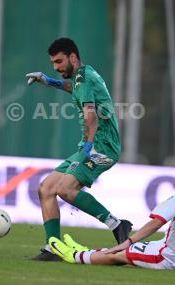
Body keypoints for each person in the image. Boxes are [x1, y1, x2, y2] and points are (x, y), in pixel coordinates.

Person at [26, 37, 132, 261]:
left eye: (59, 61)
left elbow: (91, 117)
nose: (55, 67)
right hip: (91, 145)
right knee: (46, 189)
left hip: (102, 147)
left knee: (65, 189)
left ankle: (117, 224)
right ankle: (52, 247)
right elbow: (74, 89)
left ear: (73, 57)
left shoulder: (83, 79)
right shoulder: (83, 75)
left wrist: (87, 147)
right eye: (52, 63)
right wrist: (50, 81)